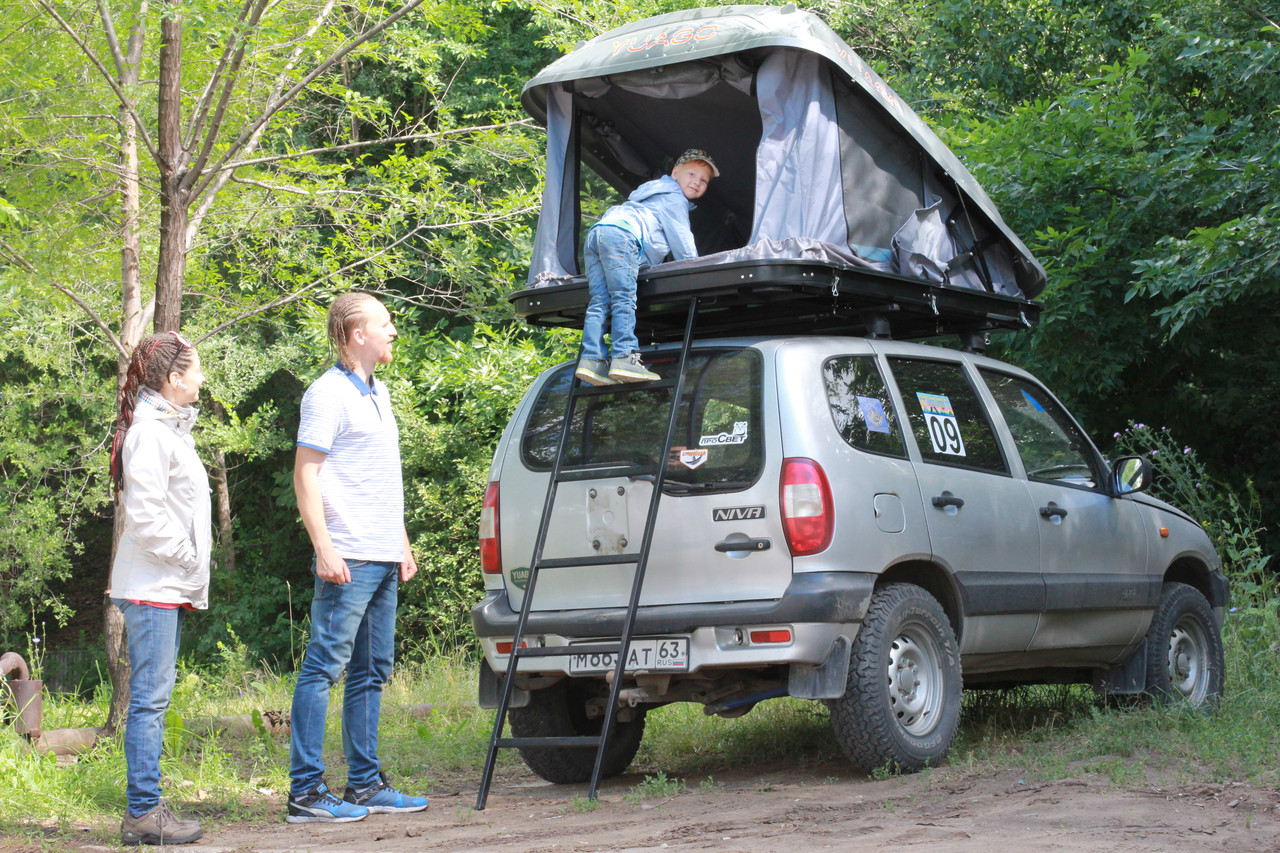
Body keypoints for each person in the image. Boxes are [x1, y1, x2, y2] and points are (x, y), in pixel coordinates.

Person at [286, 292, 429, 824]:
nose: (394, 331)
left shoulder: (379, 392)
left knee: (371, 671)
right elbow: (305, 474)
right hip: (347, 553)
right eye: (385, 324)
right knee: (324, 667)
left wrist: (402, 542)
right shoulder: (325, 394)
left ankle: (365, 785)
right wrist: (323, 546)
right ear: (355, 334)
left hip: (383, 551)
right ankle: (305, 791)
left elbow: (378, 477)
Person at [108, 331, 211, 847]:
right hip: (152, 584)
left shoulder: (168, 429)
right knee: (150, 701)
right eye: (197, 370)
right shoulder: (151, 433)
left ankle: (145, 809)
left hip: (163, 584)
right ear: (174, 379)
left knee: (153, 699)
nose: (202, 377)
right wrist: (188, 557)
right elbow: (146, 515)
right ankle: (143, 814)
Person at [575, 148, 719, 386]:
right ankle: (624, 357)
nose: (697, 182)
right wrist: (699, 273)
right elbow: (683, 245)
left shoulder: (648, 194)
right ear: (675, 173)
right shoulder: (673, 197)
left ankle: (591, 360)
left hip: (599, 233)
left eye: (704, 180)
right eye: (692, 174)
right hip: (622, 236)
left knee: (600, 300)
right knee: (623, 298)